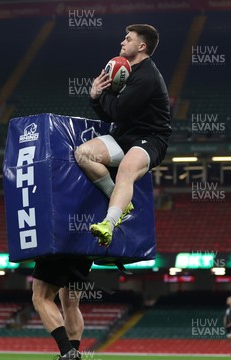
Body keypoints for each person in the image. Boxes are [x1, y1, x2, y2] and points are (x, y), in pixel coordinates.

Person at [75, 24, 172, 246]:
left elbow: (117, 111)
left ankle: (108, 224)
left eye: (128, 39)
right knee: (82, 154)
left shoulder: (147, 76)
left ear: (142, 46)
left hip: (151, 138)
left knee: (127, 168)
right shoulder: (125, 70)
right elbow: (111, 117)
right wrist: (94, 97)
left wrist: (101, 94)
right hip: (124, 135)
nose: (122, 42)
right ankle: (118, 198)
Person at [31, 256, 93, 360]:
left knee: (41, 298)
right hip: (84, 255)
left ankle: (67, 352)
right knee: (72, 305)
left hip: (58, 251)